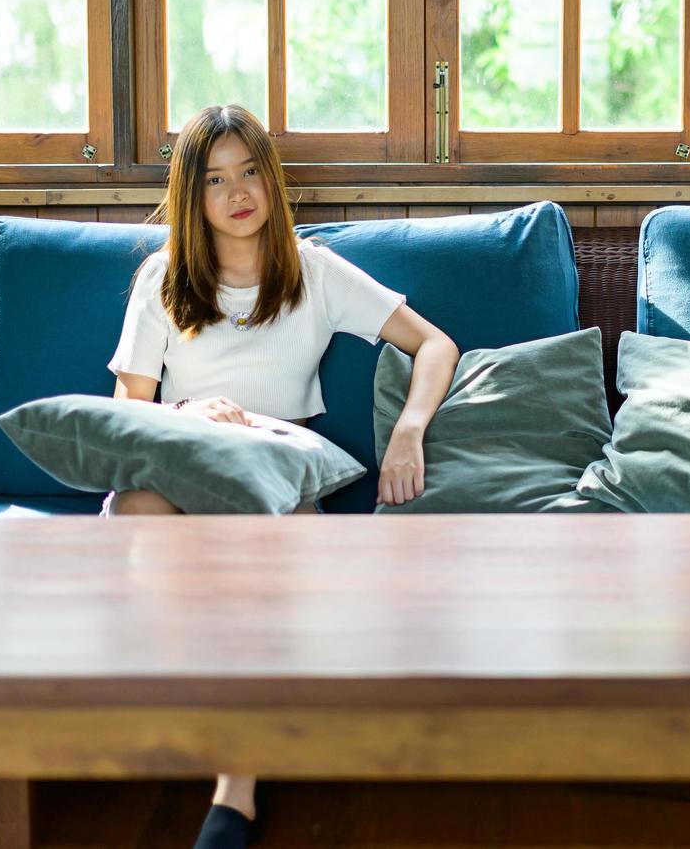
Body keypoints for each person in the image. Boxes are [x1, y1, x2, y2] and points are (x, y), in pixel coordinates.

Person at [105, 103, 459, 848]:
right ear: (190, 198)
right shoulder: (160, 278)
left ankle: (234, 791)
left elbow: (434, 345)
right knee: (136, 505)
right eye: (214, 181)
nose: (237, 192)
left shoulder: (315, 272)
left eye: (249, 173)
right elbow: (128, 410)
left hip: (275, 474)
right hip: (176, 466)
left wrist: (409, 431)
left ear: (270, 181)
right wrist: (195, 415)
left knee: (284, 545)